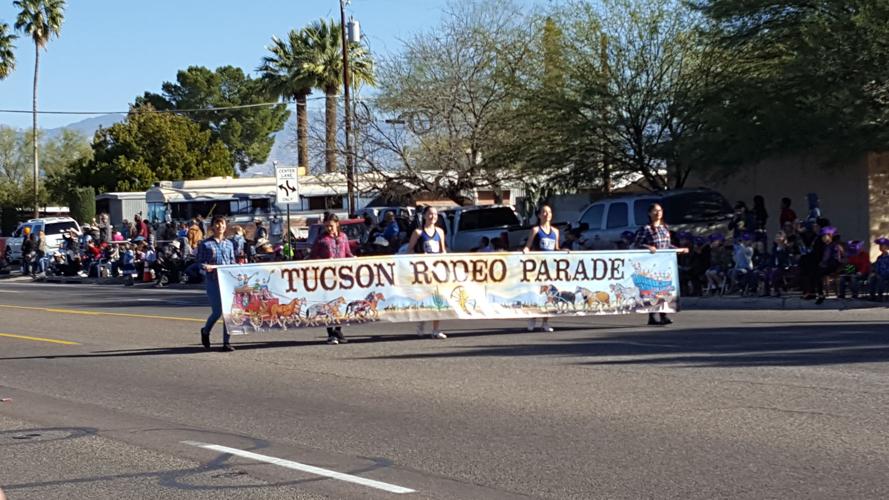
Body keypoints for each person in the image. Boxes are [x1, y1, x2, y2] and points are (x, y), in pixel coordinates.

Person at [633, 203, 689, 325]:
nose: (658, 213)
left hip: (664, 264)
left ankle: (664, 315)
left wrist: (679, 249)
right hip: (650, 264)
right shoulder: (645, 229)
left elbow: (667, 246)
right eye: (655, 211)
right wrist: (648, 247)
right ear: (649, 213)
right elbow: (636, 244)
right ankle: (652, 317)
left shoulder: (665, 228)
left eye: (660, 210)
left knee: (664, 290)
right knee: (652, 290)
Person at [309, 213, 354, 344]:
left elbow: (347, 253)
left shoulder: (343, 237)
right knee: (329, 304)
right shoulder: (321, 239)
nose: (329, 228)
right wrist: (323, 260)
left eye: (331, 226)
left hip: (341, 276)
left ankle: (338, 330)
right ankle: (330, 332)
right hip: (326, 276)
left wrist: (354, 259)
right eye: (327, 226)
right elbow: (313, 256)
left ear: (337, 224)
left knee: (340, 303)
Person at [408, 206, 448, 339]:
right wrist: (421, 257)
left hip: (437, 271)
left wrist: (446, 262)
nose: (433, 217)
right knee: (425, 299)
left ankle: (436, 329)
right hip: (423, 272)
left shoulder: (440, 232)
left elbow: (443, 250)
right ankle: (421, 322)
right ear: (424, 216)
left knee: (438, 299)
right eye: (430, 214)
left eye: (435, 214)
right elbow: (409, 250)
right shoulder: (418, 232)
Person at [197, 215, 236, 352]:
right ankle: (206, 331)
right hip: (213, 281)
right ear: (213, 226)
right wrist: (205, 267)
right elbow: (199, 263)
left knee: (228, 312)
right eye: (217, 224)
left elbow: (232, 262)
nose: (220, 226)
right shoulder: (205, 244)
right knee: (217, 312)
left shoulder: (229, 244)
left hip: (227, 282)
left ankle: (226, 342)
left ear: (226, 226)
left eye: (223, 224)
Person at [523, 205, 561, 333]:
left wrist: (564, 251)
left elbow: (556, 249)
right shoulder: (535, 230)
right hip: (538, 267)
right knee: (536, 293)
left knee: (549, 295)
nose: (546, 214)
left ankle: (545, 322)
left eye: (549, 212)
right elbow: (528, 246)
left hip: (550, 268)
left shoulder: (555, 232)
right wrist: (525, 251)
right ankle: (532, 318)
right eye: (544, 212)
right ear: (539, 215)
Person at [868, 237, 889, 301]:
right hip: (879, 274)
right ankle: (872, 295)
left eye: (882, 246)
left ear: (886, 247)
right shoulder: (879, 257)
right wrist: (875, 272)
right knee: (872, 278)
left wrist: (882, 274)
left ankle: (880, 295)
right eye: (880, 246)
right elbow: (876, 266)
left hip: (886, 274)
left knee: (880, 278)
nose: (880, 247)